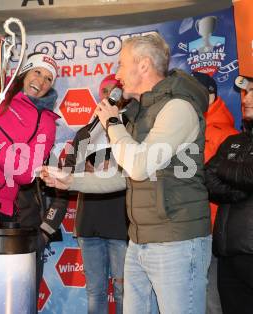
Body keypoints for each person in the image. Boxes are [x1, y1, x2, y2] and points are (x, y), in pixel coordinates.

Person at [40, 33, 212, 314]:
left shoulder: (178, 107)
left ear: (143, 65)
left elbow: (138, 165)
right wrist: (71, 180)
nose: (117, 75)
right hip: (140, 241)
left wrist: (112, 122)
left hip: (177, 243)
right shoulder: (141, 113)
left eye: (121, 64)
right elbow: (124, 176)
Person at [0, 52, 61, 299]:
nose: (41, 82)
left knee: (2, 294)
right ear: (25, 72)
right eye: (38, 72)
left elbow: (26, 174)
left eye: (49, 79)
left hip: (1, 212)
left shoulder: (47, 122)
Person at [65, 74, 128, 314]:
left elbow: (137, 167)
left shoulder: (127, 129)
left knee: (124, 290)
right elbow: (68, 170)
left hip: (121, 222)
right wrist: (87, 168)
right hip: (88, 223)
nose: (109, 97)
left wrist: (113, 168)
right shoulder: (85, 132)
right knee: (95, 290)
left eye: (115, 92)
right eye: (105, 92)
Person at [191, 71, 238, 314]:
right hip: (191, 228)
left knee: (211, 299)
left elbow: (213, 183)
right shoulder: (191, 128)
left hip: (213, 229)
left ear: (209, 96)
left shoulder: (227, 135)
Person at [205, 75, 253, 314]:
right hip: (226, 250)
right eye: (246, 92)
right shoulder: (234, 140)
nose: (247, 98)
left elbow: (250, 174)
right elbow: (209, 179)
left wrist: (224, 169)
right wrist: (240, 190)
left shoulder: (225, 137)